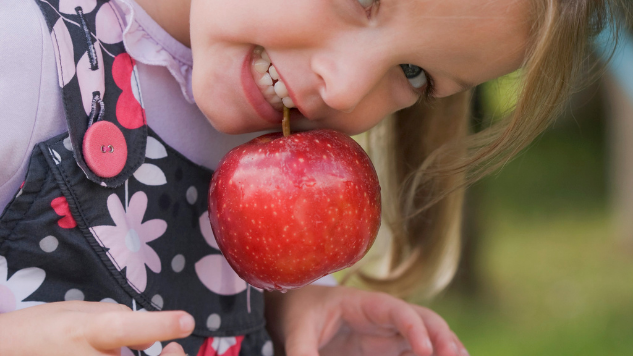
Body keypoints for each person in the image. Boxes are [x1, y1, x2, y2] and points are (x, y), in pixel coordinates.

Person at [0, 0, 624, 355]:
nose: (347, 87)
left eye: (413, 72)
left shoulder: (289, 166)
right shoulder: (23, 57)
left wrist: (288, 313)